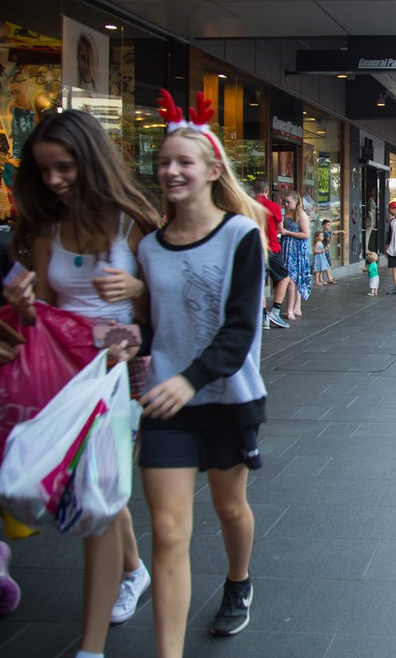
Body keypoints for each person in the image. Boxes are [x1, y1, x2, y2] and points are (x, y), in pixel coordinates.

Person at [4, 108, 158, 655]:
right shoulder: (46, 228)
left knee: (96, 489)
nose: (53, 181)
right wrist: (22, 308)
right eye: (44, 170)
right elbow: (43, 313)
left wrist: (137, 290)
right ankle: (134, 570)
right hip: (65, 380)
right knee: (101, 487)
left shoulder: (132, 223)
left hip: (121, 379)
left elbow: (165, 307)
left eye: (64, 167)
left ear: (90, 162)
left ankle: (91, 647)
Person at [136, 103, 268, 655]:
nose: (171, 171)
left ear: (212, 170)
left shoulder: (241, 235)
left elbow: (240, 331)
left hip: (225, 398)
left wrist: (189, 380)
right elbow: (148, 329)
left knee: (228, 507)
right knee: (167, 533)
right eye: (164, 162)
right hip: (165, 404)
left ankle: (238, 582)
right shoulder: (146, 248)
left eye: (184, 162)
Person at [252, 178, 292, 329]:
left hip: (254, 248)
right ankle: (275, 311)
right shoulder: (272, 206)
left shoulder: (247, 205)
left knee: (260, 283)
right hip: (271, 247)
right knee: (284, 277)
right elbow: (280, 229)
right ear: (267, 190)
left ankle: (264, 318)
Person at [280, 191, 311, 319]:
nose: (286, 204)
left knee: (294, 278)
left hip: (297, 248)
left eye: (288, 202)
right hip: (287, 246)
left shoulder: (301, 214)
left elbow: (306, 234)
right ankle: (294, 307)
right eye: (285, 202)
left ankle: (293, 308)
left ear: (295, 201)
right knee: (292, 278)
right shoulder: (287, 213)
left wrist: (287, 233)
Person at [318, 219, 340, 284]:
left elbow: (331, 240)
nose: (329, 226)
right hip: (324, 250)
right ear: (323, 226)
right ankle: (329, 278)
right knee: (327, 264)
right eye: (327, 225)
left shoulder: (328, 232)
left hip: (326, 250)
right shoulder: (325, 233)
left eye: (330, 225)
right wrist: (334, 235)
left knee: (329, 264)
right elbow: (329, 240)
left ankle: (330, 277)